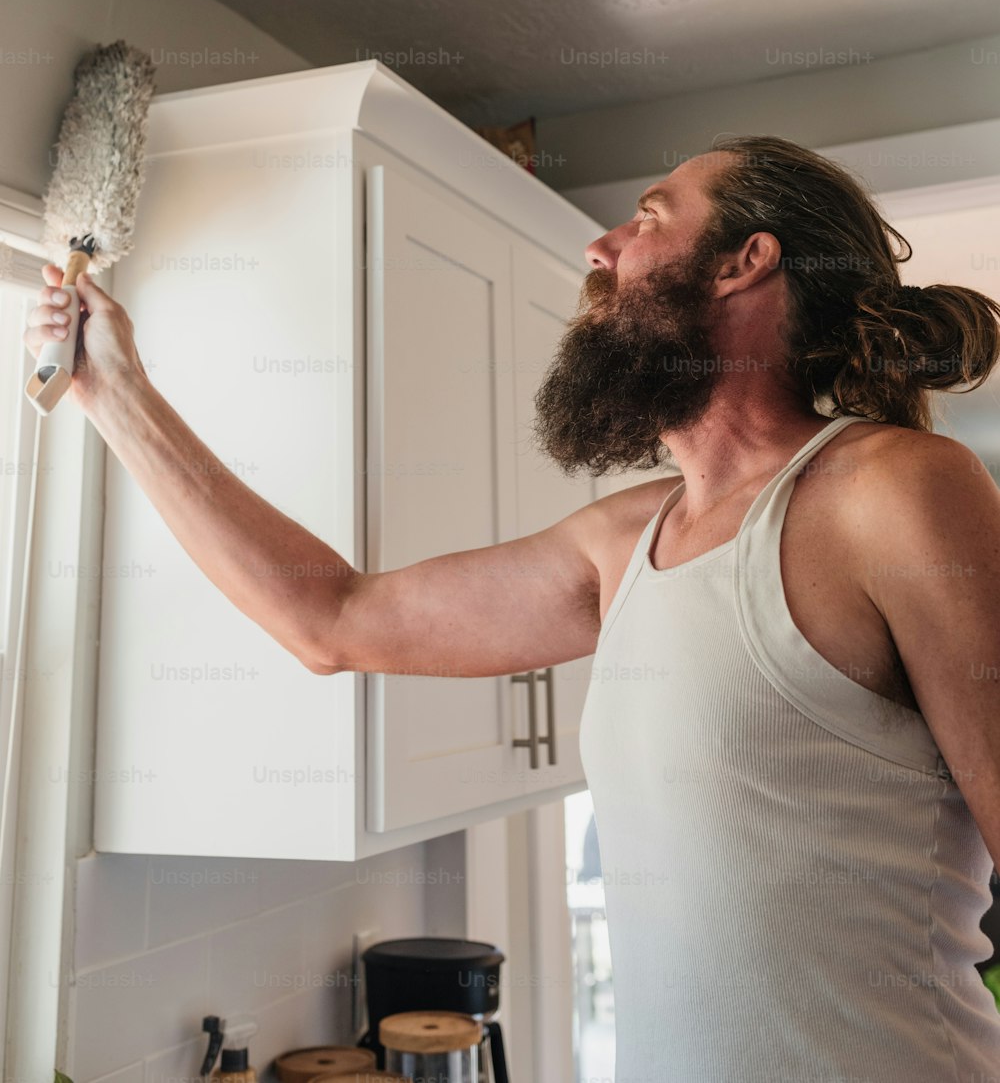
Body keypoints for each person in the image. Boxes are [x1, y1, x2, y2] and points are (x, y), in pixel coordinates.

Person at [24, 134, 1000, 1079]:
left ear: (743, 262)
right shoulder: (621, 544)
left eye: (646, 216)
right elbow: (331, 619)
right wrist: (116, 391)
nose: (600, 247)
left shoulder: (895, 490)